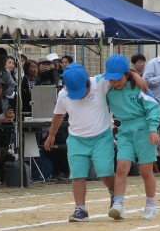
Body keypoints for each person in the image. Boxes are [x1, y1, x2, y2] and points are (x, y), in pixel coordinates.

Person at [44, 63, 117, 222]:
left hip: (101, 137)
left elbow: (121, 73)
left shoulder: (100, 82)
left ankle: (115, 194)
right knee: (77, 175)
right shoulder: (64, 94)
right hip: (76, 139)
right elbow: (58, 114)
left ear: (87, 81)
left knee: (105, 171)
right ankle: (80, 209)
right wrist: (51, 135)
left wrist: (138, 78)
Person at [106, 54, 160, 220]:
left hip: (144, 129)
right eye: (112, 79)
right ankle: (118, 203)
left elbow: (153, 107)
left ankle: (151, 205)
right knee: (121, 167)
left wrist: (153, 129)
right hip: (124, 130)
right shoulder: (109, 91)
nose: (115, 82)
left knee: (146, 171)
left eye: (119, 79)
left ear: (126, 75)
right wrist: (134, 74)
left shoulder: (138, 88)